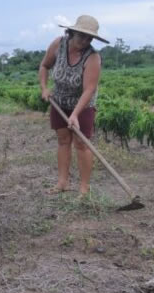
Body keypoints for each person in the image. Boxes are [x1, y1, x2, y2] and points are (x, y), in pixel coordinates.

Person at [38, 15, 109, 195]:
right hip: (59, 101)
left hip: (83, 105)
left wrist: (75, 114)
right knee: (63, 140)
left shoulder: (93, 57)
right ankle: (63, 182)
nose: (84, 41)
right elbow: (45, 66)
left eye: (89, 38)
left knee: (81, 143)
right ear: (72, 32)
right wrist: (45, 88)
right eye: (81, 36)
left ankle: (84, 187)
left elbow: (89, 89)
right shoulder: (58, 45)